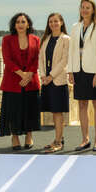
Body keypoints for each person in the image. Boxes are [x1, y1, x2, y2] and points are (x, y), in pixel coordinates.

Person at [68, 0, 96, 152]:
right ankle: (85, 139)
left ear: (93, 10)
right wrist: (70, 70)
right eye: (82, 7)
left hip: (93, 71)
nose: (84, 10)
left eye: (87, 8)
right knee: (82, 105)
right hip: (78, 71)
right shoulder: (75, 27)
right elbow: (72, 50)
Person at [0, 12, 41, 150]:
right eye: (17, 22)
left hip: (31, 81)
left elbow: (37, 59)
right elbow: (7, 60)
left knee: (30, 109)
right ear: (14, 25)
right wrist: (22, 74)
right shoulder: (7, 39)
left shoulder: (36, 39)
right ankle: (15, 137)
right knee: (13, 110)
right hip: (12, 82)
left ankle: (29, 136)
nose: (20, 24)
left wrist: (28, 75)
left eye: (23, 21)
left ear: (28, 24)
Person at [39, 13, 70, 153]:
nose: (53, 24)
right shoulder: (45, 39)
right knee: (53, 111)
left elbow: (64, 60)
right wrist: (43, 76)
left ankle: (58, 142)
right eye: (50, 22)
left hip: (58, 80)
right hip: (47, 81)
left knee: (58, 112)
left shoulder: (66, 39)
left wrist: (51, 76)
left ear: (61, 22)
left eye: (56, 21)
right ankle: (58, 138)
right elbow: (41, 58)